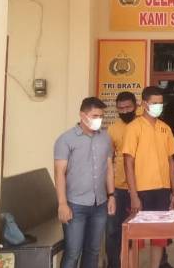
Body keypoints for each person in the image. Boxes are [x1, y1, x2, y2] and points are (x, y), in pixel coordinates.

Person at [53, 97, 115, 268]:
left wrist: (111, 195)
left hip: (100, 204)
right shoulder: (66, 139)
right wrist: (62, 204)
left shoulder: (105, 138)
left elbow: (109, 168)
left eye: (101, 116)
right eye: (95, 116)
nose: (98, 120)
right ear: (82, 115)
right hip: (75, 205)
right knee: (73, 252)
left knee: (93, 251)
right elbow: (59, 173)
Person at [122, 86, 174, 268]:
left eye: (160, 103)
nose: (158, 106)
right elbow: (128, 162)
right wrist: (133, 195)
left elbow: (170, 161)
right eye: (154, 103)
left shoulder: (165, 128)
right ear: (144, 104)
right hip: (141, 191)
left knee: (159, 237)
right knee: (136, 238)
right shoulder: (133, 127)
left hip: (162, 190)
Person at [106, 91, 138, 268]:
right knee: (114, 230)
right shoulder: (112, 129)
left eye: (128, 107)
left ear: (136, 106)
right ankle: (114, 264)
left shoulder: (142, 126)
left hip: (142, 187)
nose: (125, 111)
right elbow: (108, 160)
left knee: (147, 228)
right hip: (118, 187)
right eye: (121, 108)